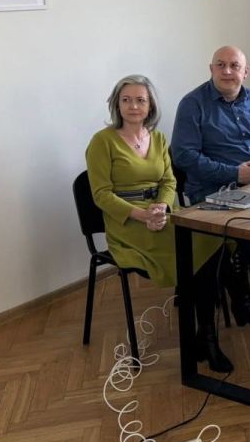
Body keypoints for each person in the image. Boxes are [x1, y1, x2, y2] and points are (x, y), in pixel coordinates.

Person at [86, 75, 235, 373]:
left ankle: (206, 335)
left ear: (150, 105)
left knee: (213, 237)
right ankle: (214, 330)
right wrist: (142, 215)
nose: (133, 106)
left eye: (140, 100)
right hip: (128, 223)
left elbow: (169, 181)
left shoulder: (158, 138)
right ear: (117, 104)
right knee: (196, 247)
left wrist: (163, 206)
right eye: (126, 100)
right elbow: (101, 195)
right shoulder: (102, 141)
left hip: (163, 212)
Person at [171, 46, 250, 319]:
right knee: (249, 216)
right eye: (220, 65)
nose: (227, 71)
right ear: (211, 69)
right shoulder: (192, 104)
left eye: (234, 65)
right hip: (212, 188)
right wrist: (234, 174)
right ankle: (246, 274)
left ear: (245, 72)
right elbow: (183, 155)